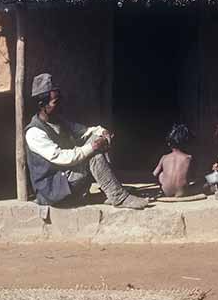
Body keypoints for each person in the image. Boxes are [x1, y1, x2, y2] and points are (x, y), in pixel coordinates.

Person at [25, 73, 148, 210]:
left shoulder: (59, 121)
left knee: (96, 141)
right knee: (93, 155)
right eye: (56, 102)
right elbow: (63, 157)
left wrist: (102, 133)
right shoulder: (34, 133)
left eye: (60, 100)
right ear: (42, 105)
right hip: (53, 190)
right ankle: (118, 196)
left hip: (65, 182)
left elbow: (85, 131)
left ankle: (113, 188)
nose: (60, 106)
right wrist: (94, 146)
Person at [153, 124, 194, 197]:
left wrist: (163, 179)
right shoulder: (188, 158)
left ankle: (168, 187)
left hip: (166, 192)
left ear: (169, 143)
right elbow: (192, 175)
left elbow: (154, 174)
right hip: (182, 192)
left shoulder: (164, 157)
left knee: (161, 174)